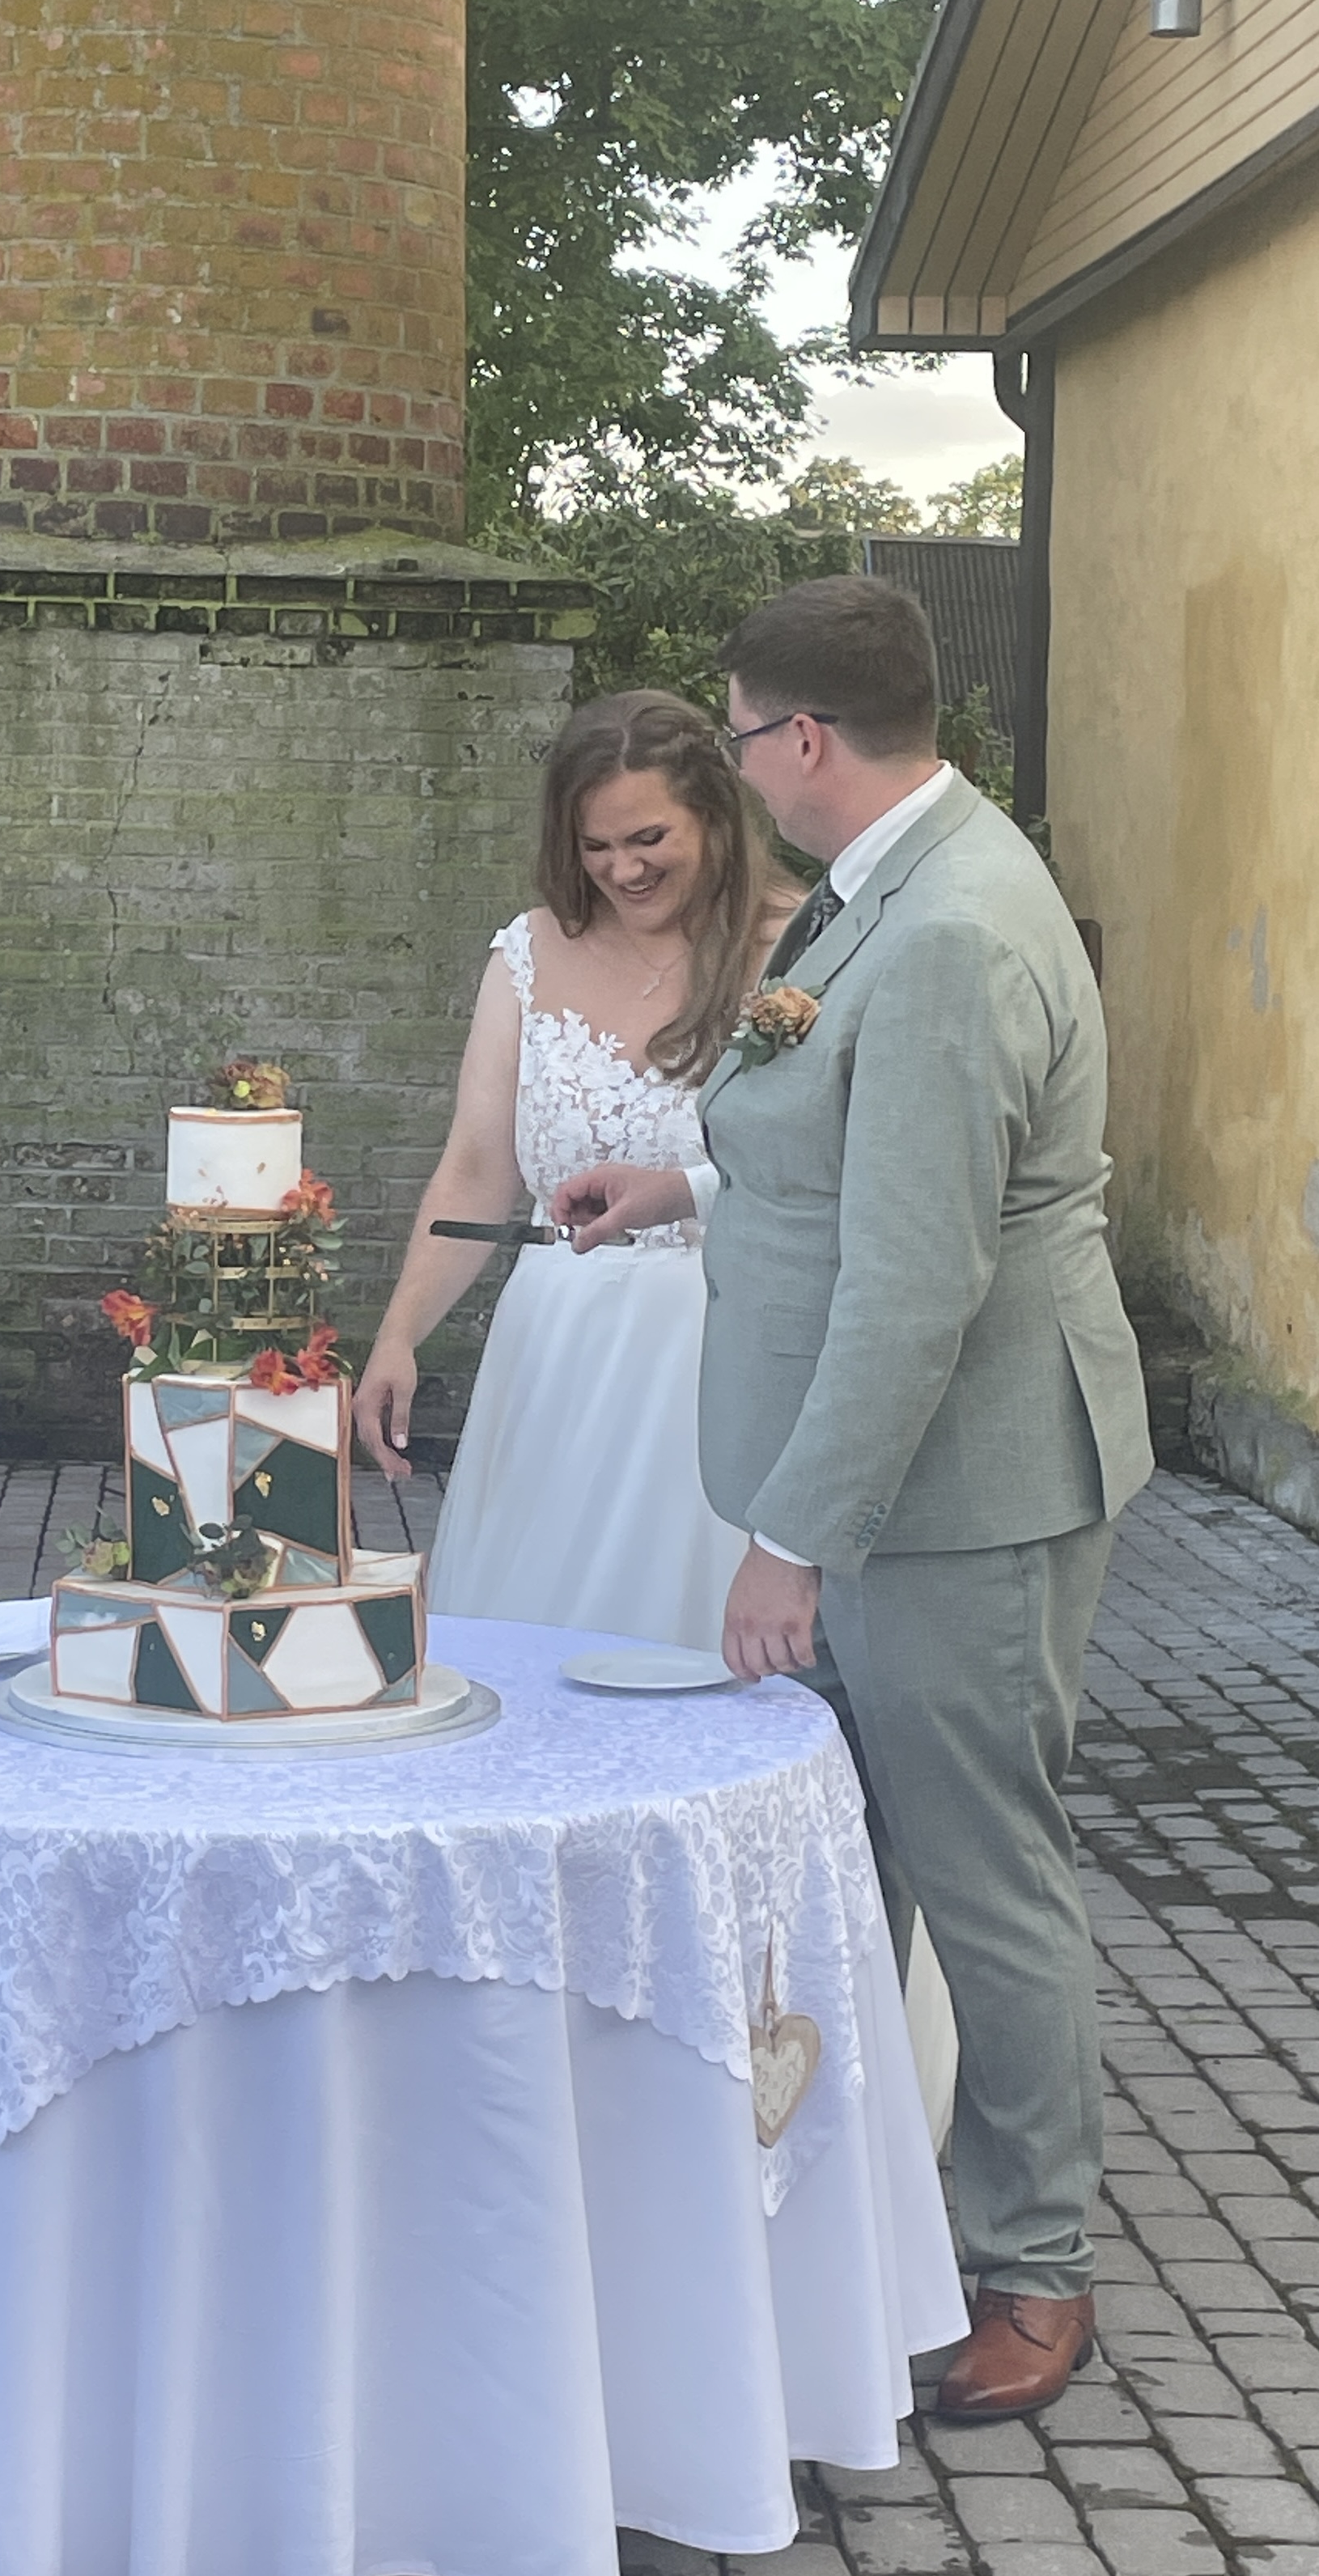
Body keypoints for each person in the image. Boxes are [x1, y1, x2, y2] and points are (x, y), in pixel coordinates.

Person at [553, 575, 1151, 2421]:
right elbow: (842, 1157)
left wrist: (787, 1544)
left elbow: (917, 1283)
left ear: (802, 737)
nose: (737, 767)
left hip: (960, 1492)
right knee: (842, 1862)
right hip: (892, 1474)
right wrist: (684, 1190)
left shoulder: (953, 928)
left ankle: (1032, 2264)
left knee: (981, 1871)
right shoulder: (888, 880)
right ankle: (848, 2217)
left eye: (739, 736)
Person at [354, 690, 799, 1647]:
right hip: (553, 1353)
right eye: (596, 846)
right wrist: (399, 1335)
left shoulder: (797, 949)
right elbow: (477, 1166)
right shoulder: (529, 952)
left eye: (648, 839)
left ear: (715, 813)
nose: (623, 870)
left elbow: (824, 1169)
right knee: (528, 1638)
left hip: (720, 1349)